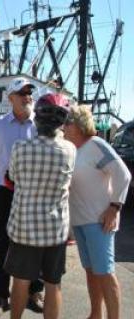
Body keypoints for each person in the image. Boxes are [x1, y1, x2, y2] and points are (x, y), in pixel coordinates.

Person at [0, 77, 44, 316]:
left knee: (34, 243)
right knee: (4, 243)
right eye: (22, 93)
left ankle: (34, 291)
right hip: (4, 193)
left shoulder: (42, 125)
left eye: (29, 92)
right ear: (10, 98)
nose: (27, 96)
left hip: (34, 192)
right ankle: (1, 294)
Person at [4, 93, 76, 319]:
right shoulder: (70, 150)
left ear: (36, 118)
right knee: (53, 284)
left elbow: (12, 178)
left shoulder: (20, 147)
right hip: (55, 231)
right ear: (62, 123)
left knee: (21, 282)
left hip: (24, 229)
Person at [64, 105, 131, 319]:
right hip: (80, 221)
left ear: (75, 126)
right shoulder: (72, 149)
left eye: (66, 123)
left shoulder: (96, 145)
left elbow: (123, 175)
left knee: (105, 273)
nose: (63, 127)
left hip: (99, 221)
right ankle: (95, 314)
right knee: (92, 272)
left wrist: (114, 207)